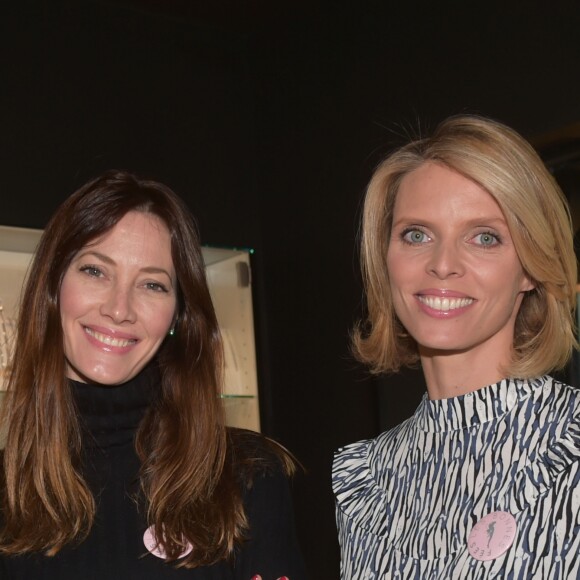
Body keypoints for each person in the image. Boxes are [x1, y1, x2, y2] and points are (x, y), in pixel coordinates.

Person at [0, 170, 307, 580]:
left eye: (152, 285)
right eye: (95, 271)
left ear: (178, 315)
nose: (119, 307)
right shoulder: (8, 493)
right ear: (52, 288)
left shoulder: (246, 476)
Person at [333, 115, 580, 577]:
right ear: (385, 257)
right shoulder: (365, 480)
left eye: (484, 237)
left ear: (530, 266)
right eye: (417, 235)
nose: (443, 264)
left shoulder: (572, 447)